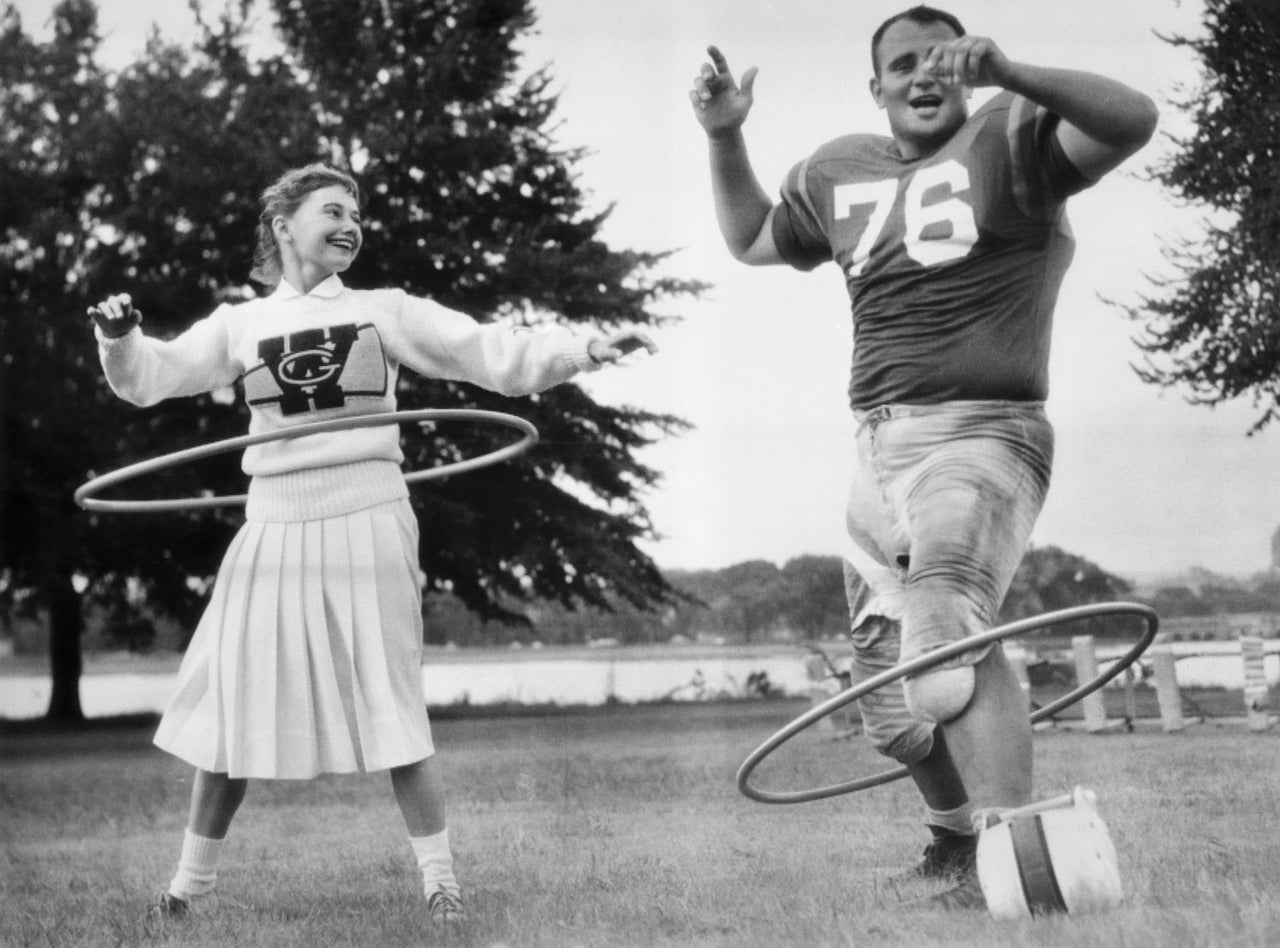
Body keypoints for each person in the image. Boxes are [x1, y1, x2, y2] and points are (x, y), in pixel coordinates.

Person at [89, 163, 656, 927]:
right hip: (272, 526)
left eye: (358, 214)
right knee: (232, 706)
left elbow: (487, 352)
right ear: (285, 225)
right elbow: (150, 378)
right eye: (334, 210)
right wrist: (120, 337)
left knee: (390, 700)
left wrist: (582, 349)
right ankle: (189, 887)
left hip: (368, 515)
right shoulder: (238, 326)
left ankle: (440, 881)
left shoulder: (383, 310)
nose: (351, 224)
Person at [689, 5, 1157, 907]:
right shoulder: (837, 168)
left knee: (946, 629)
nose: (922, 74)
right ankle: (950, 846)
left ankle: (1021, 863)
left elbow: (1131, 118)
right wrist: (724, 138)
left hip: (984, 431)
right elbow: (750, 239)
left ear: (968, 70)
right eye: (902, 63)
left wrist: (1014, 72)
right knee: (889, 699)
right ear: (876, 87)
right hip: (877, 449)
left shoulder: (1013, 139)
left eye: (941, 58)